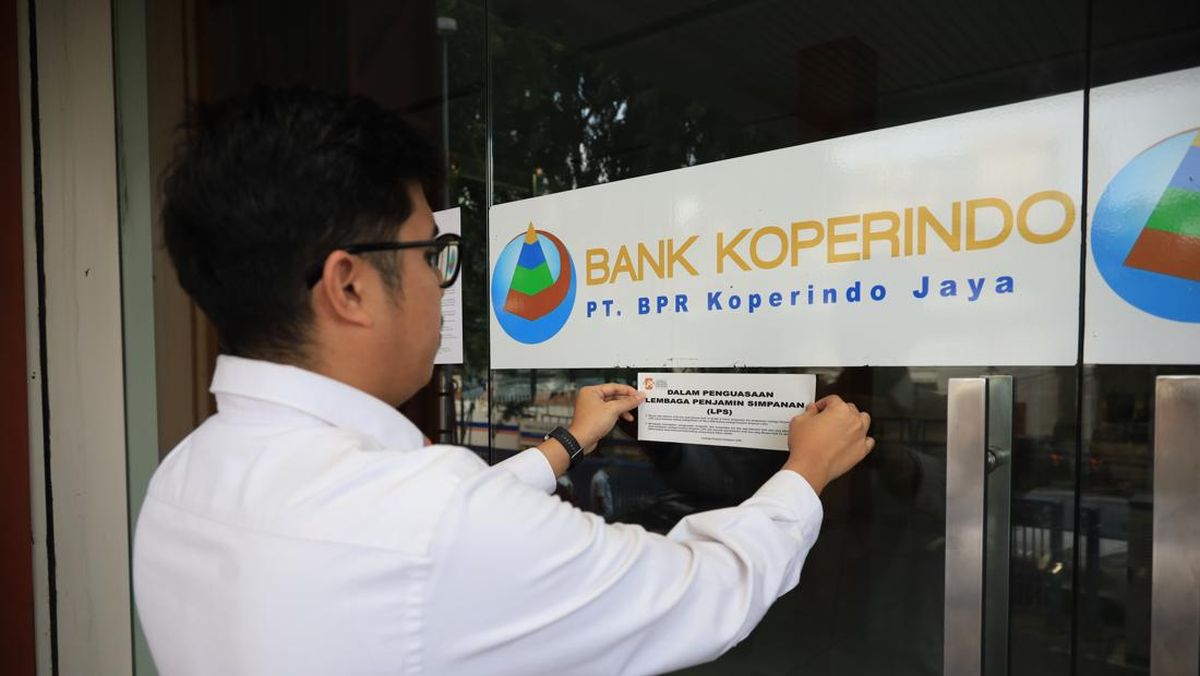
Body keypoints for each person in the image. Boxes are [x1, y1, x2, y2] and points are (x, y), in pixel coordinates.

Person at [132, 86, 875, 676]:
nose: (441, 283)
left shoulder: (182, 477)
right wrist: (806, 471)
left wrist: (567, 444)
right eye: (432, 255)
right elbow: (702, 591)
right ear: (349, 286)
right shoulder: (432, 521)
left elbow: (438, 534)